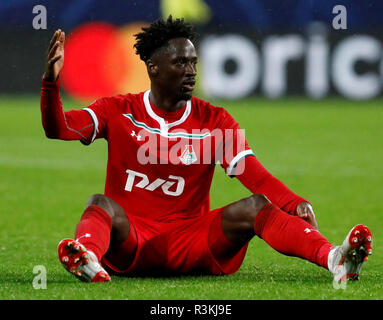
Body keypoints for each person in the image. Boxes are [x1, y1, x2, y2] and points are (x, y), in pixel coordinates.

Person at [40, 16, 372, 283]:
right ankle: (87, 258)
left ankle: (336, 258)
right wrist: (51, 84)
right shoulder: (118, 109)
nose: (191, 71)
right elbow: (60, 129)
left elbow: (254, 175)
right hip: (133, 242)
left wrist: (295, 203)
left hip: (193, 242)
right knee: (100, 204)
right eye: (181, 63)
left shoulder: (214, 120)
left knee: (257, 206)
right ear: (153, 68)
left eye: (194, 63)